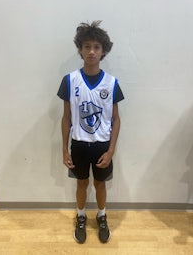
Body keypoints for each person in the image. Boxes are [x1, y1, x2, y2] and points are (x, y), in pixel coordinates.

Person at [57, 21, 124, 244]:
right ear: (80, 49)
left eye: (96, 47)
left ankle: (102, 216)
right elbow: (66, 118)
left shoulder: (111, 83)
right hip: (79, 144)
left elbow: (116, 119)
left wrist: (112, 149)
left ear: (103, 51)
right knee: (82, 183)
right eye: (87, 46)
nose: (92, 51)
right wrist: (64, 149)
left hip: (102, 145)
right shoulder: (70, 80)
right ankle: (81, 215)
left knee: (100, 184)